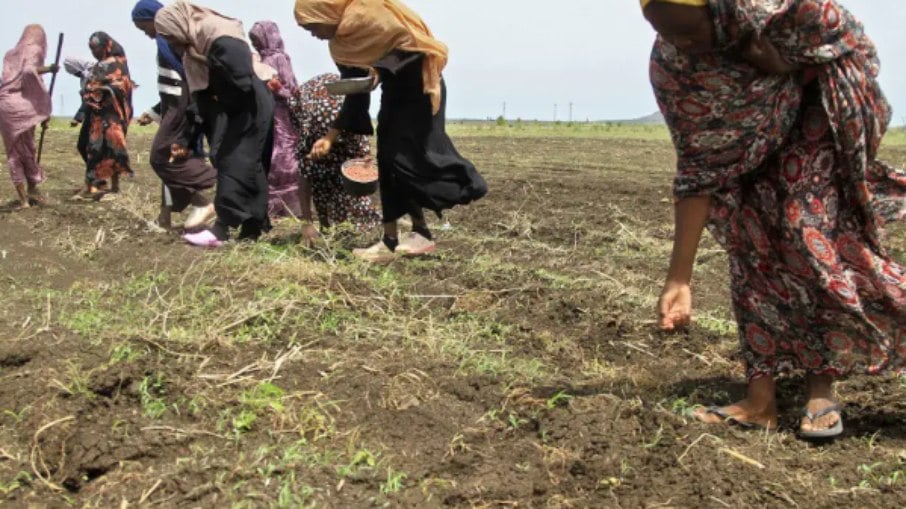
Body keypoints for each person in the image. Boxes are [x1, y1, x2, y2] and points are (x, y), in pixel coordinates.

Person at [643, 0, 906, 439]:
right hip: (742, 156)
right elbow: (696, 167)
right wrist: (679, 278)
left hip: (813, 119)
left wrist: (787, 64)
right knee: (750, 246)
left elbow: (852, 43)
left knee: (805, 231)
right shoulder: (674, 66)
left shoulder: (786, 12)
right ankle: (759, 400)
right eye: (667, 34)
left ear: (721, 11)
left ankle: (820, 389)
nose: (682, 45)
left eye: (690, 33)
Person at [294, 0, 487, 263]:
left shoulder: (369, 16)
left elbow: (410, 47)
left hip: (419, 86)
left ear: (324, 12)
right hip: (394, 94)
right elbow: (355, 93)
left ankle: (461, 187)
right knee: (387, 161)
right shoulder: (340, 45)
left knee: (409, 159)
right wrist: (331, 136)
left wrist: (380, 71)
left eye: (312, 26)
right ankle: (397, 238)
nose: (313, 35)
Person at [155, 0, 276, 248]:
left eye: (171, 35)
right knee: (242, 163)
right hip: (236, 107)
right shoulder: (194, 48)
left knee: (236, 162)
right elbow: (198, 99)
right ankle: (251, 229)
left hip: (249, 104)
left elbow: (241, 78)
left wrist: (222, 95)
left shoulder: (217, 33)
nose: (172, 43)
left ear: (178, 24)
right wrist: (185, 139)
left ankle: (221, 230)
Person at [132, 0, 217, 230]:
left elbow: (184, 78)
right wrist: (155, 111)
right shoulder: (165, 40)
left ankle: (214, 190)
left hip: (179, 108)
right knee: (171, 161)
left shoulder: (165, 40)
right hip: (175, 106)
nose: (146, 33)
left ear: (154, 19)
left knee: (161, 157)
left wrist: (187, 111)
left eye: (144, 27)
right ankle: (165, 217)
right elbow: (172, 85)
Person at [289, 73, 381, 243]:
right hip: (315, 119)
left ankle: (360, 228)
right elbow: (304, 175)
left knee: (357, 204)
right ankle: (326, 228)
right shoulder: (310, 131)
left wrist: (366, 163)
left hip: (341, 121)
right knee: (321, 184)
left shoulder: (353, 126)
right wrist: (307, 223)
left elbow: (365, 158)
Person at [0, 25, 57, 209]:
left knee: (15, 151)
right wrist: (48, 69)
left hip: (6, 105)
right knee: (28, 148)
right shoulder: (35, 50)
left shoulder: (10, 54)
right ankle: (32, 189)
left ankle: (25, 197)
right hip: (24, 106)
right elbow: (29, 73)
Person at [249, 20, 302, 218]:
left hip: (280, 115)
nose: (255, 43)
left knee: (283, 158)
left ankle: (290, 205)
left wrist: (277, 89)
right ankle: (272, 206)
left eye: (257, 39)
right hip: (264, 115)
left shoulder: (279, 58)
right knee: (268, 157)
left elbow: (291, 90)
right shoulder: (257, 60)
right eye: (252, 40)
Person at [80, 32, 134, 199]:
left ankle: (115, 187)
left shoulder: (117, 64)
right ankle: (92, 184)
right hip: (97, 115)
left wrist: (104, 88)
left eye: (96, 49)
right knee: (93, 149)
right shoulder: (98, 65)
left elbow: (122, 86)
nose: (94, 53)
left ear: (106, 47)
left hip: (113, 115)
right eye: (91, 49)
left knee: (114, 149)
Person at [63, 57, 93, 165]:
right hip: (91, 114)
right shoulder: (86, 78)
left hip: (98, 115)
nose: (74, 75)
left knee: (83, 145)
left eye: (74, 72)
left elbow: (91, 98)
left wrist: (78, 118)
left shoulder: (92, 75)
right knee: (84, 146)